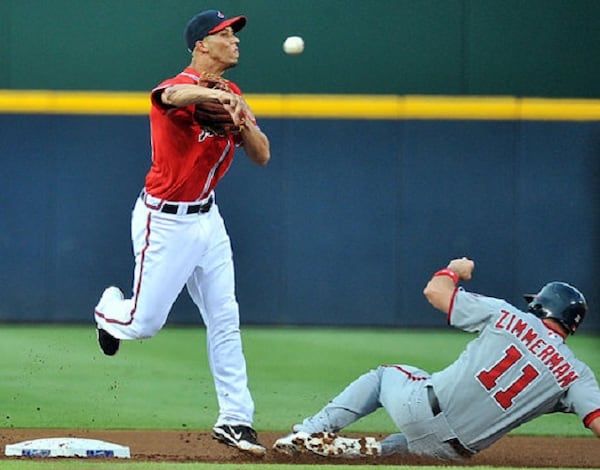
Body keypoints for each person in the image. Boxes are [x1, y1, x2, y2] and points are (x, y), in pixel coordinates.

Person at [94, 9, 270, 457]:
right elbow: (170, 95)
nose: (235, 41)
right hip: (165, 220)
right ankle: (108, 309)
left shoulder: (231, 93)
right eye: (225, 34)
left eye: (235, 34)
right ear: (201, 46)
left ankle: (235, 419)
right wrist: (207, 95)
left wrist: (242, 117)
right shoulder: (176, 87)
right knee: (144, 323)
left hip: (208, 221)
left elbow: (262, 155)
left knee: (225, 317)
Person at [273, 257, 600, 460]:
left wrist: (453, 270)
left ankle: (309, 432)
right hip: (452, 452)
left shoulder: (506, 315)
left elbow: (435, 292)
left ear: (542, 307)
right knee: (408, 448)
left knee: (384, 376)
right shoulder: (575, 375)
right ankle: (353, 451)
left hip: (422, 410)